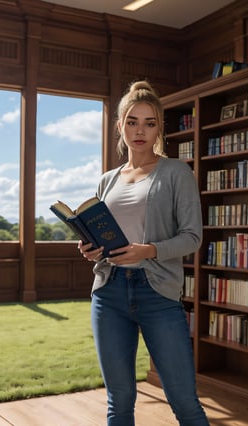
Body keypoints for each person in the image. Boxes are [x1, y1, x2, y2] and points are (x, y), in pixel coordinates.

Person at [78, 80, 209, 425]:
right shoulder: (107, 180)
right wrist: (91, 249)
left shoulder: (177, 172)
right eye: (132, 122)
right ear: (120, 126)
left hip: (157, 294)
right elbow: (106, 236)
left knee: (184, 401)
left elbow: (193, 237)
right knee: (118, 403)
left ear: (158, 128)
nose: (140, 130)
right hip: (109, 293)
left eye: (149, 123)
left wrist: (147, 250)